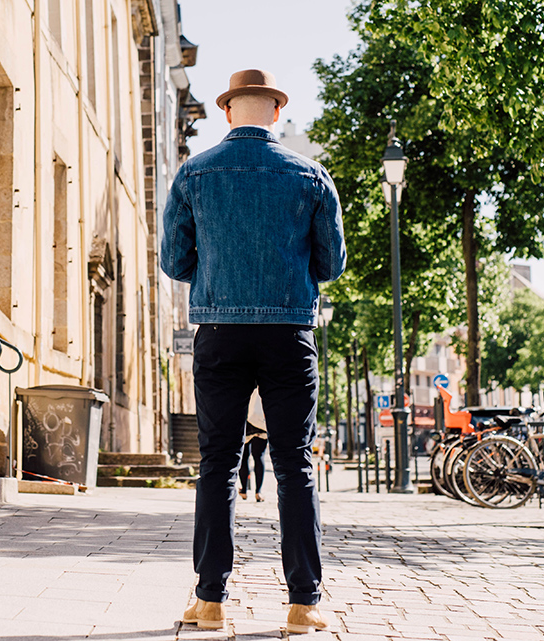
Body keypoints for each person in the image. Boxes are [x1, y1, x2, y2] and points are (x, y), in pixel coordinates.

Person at [161, 69, 345, 634]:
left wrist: (218, 275)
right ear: (275, 112)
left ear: (228, 112)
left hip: (219, 330)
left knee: (217, 463)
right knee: (294, 464)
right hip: (290, 330)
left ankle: (210, 600)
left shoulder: (193, 173)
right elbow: (330, 264)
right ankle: (303, 603)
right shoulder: (311, 177)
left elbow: (175, 262)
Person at [239, 388, 268, 502]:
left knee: (244, 456)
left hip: (247, 422)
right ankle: (258, 492)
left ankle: (244, 490)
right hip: (260, 422)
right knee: (259, 456)